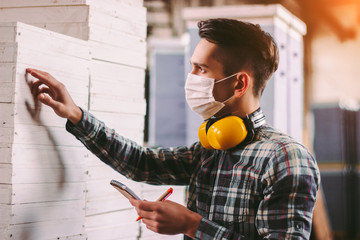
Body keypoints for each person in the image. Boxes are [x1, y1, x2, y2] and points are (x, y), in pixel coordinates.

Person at [27, 18, 320, 240]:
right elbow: (142, 163)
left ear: (239, 83)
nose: (190, 77)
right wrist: (77, 115)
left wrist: (193, 225)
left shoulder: (285, 159)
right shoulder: (210, 149)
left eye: (201, 69)